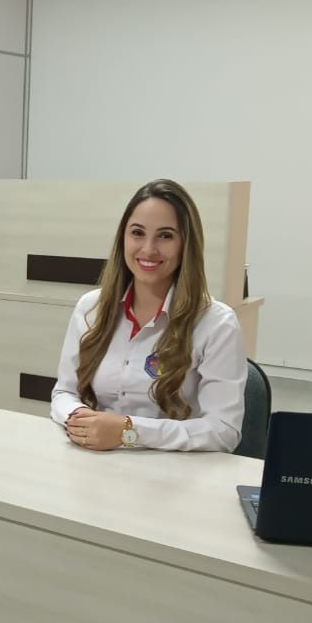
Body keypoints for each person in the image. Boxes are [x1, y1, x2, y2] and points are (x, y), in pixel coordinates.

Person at [51, 178, 246, 452]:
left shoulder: (216, 323)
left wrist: (129, 431)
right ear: (123, 238)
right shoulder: (91, 308)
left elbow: (223, 430)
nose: (148, 249)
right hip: (93, 459)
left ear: (186, 244)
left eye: (165, 236)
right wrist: (79, 417)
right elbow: (64, 392)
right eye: (137, 233)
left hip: (173, 469)